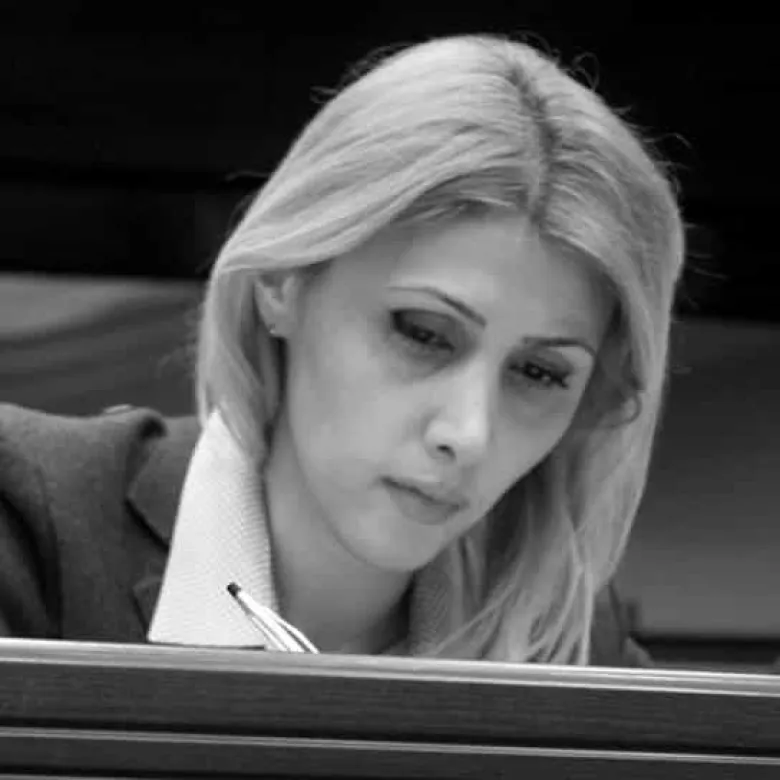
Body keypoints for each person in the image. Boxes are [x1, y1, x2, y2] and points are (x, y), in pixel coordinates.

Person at [0, 33, 683, 664]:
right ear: (281, 280)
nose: (468, 434)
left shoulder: (572, 643)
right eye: (423, 333)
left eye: (539, 372)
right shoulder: (27, 518)